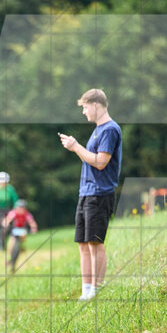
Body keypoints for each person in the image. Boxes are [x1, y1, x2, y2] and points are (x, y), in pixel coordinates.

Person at [59, 88, 121, 302]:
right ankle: (86, 290)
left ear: (96, 105)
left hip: (100, 194)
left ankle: (97, 289)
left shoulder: (110, 130)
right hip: (86, 193)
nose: (84, 112)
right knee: (83, 244)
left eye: (85, 107)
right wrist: (75, 147)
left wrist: (76, 147)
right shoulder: (98, 130)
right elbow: (90, 158)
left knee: (95, 243)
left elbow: (101, 162)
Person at [2, 199, 38, 273]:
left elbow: (32, 222)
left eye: (22, 208)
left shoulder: (27, 214)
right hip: (14, 230)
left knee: (21, 241)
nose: (21, 210)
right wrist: (5, 224)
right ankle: (11, 257)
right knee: (11, 245)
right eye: (19, 207)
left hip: (22, 231)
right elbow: (7, 219)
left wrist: (34, 228)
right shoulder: (13, 213)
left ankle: (20, 248)